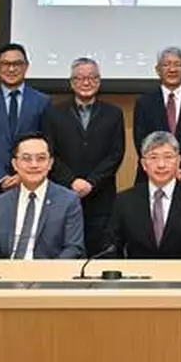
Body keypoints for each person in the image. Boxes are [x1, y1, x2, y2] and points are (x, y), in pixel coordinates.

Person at [0, 43, 50, 246]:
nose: (11, 69)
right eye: (6, 64)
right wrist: (2, 177)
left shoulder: (42, 101)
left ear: (26, 66)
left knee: (29, 246)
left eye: (17, 64)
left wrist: (23, 176)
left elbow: (47, 145)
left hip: (31, 186)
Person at [42, 57, 125, 255]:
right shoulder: (53, 112)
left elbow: (116, 153)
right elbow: (49, 153)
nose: (86, 83)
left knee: (100, 255)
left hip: (101, 197)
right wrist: (71, 181)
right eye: (80, 78)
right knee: (66, 254)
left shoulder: (113, 113)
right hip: (63, 194)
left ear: (99, 81)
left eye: (92, 78)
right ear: (71, 82)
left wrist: (92, 182)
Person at [0, 132, 85, 260]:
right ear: (15, 164)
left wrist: (46, 275)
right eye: (26, 158)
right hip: (8, 275)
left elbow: (73, 248)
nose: (34, 165)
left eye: (41, 158)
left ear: (50, 163)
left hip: (49, 275)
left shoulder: (68, 200)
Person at [109, 131, 181, 259]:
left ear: (178, 161)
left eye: (168, 157)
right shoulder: (124, 202)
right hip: (138, 276)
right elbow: (112, 251)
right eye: (153, 158)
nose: (161, 165)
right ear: (143, 164)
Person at [132, 46, 181, 191]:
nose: (172, 69)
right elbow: (141, 141)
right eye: (166, 64)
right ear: (157, 70)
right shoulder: (144, 102)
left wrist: (179, 168)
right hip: (151, 177)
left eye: (178, 65)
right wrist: (164, 168)